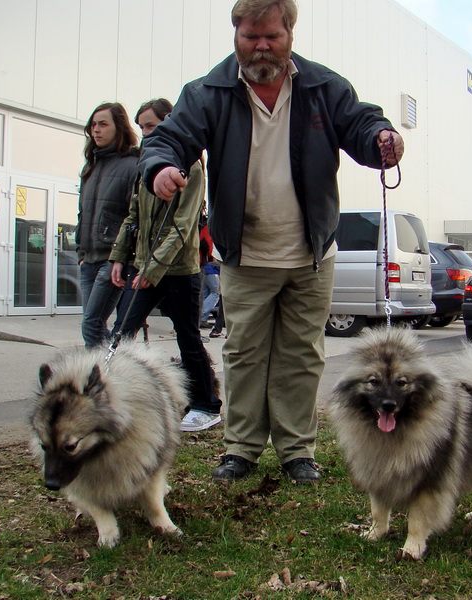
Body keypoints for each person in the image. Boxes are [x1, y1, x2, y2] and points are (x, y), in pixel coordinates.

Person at [138, 0, 405, 483]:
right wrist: (159, 167)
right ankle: (240, 449)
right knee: (244, 353)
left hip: (312, 252)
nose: (261, 45)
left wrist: (381, 138)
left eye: (272, 36)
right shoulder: (207, 93)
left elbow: (363, 122)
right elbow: (168, 139)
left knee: (301, 354)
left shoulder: (325, 87)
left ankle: (297, 451)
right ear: (236, 34)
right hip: (245, 254)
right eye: (250, 35)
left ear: (290, 36)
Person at [110, 98, 222, 432]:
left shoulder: (193, 167)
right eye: (141, 127)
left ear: (170, 122)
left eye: (151, 126)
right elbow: (134, 214)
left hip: (179, 271)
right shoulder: (147, 165)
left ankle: (207, 405)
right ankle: (120, 399)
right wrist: (120, 256)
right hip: (143, 267)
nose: (145, 134)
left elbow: (183, 225)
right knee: (121, 333)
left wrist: (152, 269)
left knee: (188, 338)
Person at [76, 103, 139, 348]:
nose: (96, 130)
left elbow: (134, 217)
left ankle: (99, 379)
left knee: (91, 323)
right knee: (94, 324)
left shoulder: (132, 166)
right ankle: (107, 376)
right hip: (88, 259)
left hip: (112, 260)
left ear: (119, 127)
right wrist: (81, 251)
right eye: (93, 125)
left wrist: (121, 257)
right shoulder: (90, 167)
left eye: (103, 124)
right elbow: (83, 213)